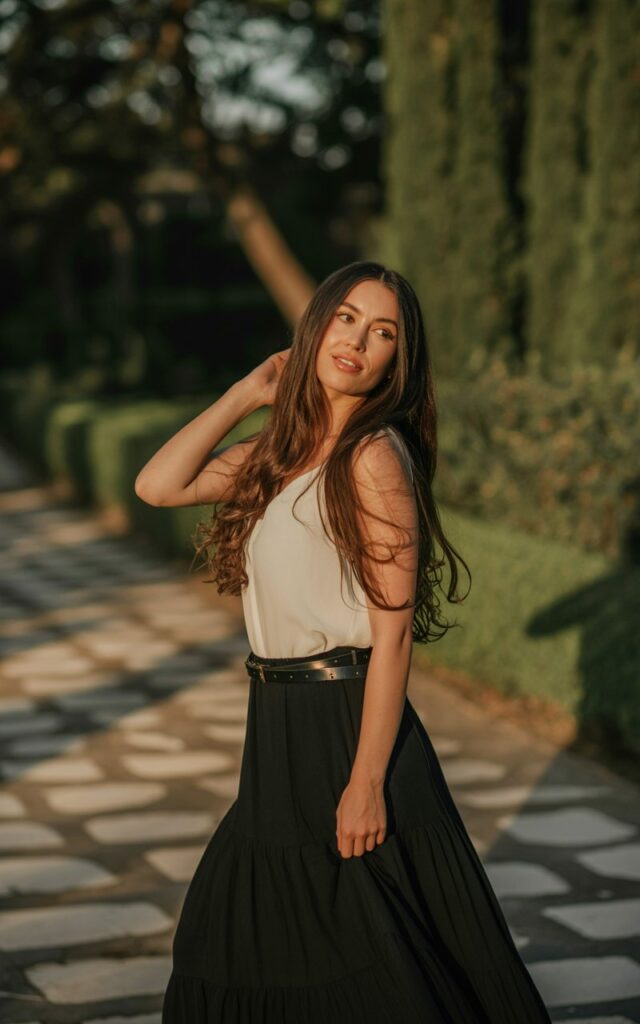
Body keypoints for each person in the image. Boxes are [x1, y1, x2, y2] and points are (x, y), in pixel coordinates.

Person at [135, 260, 552, 1023]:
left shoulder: (373, 458)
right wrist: (246, 394)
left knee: (381, 958)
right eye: (346, 318)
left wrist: (364, 785)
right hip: (277, 729)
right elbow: (158, 485)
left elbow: (393, 643)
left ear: (399, 359)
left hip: (346, 725)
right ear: (316, 325)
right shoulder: (279, 452)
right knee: (246, 934)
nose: (358, 339)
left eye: (383, 331)